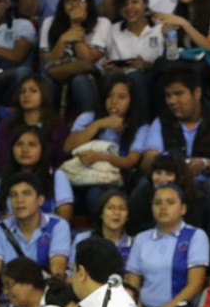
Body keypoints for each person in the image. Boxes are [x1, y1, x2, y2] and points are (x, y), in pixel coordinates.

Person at [142, 69, 210, 246]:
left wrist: (205, 164)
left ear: (196, 93)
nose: (172, 101)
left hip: (207, 180)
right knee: (144, 186)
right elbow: (148, 161)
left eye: (178, 94)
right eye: (168, 95)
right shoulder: (162, 121)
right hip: (172, 182)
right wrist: (170, 167)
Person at [0, 172, 71, 307]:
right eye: (13, 195)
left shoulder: (57, 225)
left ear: (40, 200)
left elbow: (57, 269)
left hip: (45, 297)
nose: (19, 200)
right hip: (11, 300)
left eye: (26, 193)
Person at [125, 184, 209, 307]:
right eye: (157, 203)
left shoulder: (195, 236)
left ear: (183, 208)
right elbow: (133, 284)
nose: (163, 207)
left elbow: (195, 284)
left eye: (170, 203)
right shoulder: (141, 238)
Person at [64, 74, 150, 214]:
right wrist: (99, 124)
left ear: (131, 101)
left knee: (95, 194)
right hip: (80, 174)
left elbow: (131, 161)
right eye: (109, 96)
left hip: (114, 180)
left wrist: (101, 157)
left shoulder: (141, 127)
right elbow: (68, 147)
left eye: (121, 97)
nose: (114, 101)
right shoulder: (89, 117)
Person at [39, 0, 111, 114]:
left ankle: (89, 124)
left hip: (92, 80)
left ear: (89, 3)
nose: (74, 4)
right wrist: (62, 40)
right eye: (69, 0)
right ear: (62, 4)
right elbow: (48, 61)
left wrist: (75, 24)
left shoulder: (102, 23)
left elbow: (88, 60)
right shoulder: (49, 23)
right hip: (57, 80)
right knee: (43, 81)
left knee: (79, 80)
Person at [103, 0, 164, 119]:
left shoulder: (160, 29)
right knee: (111, 80)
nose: (129, 8)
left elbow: (167, 64)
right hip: (121, 83)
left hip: (150, 81)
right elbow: (109, 62)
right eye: (124, 4)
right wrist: (111, 69)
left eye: (135, 2)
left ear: (146, 3)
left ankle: (143, 125)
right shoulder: (113, 30)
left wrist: (147, 66)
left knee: (136, 77)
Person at [0, 126, 74, 223]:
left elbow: (64, 218)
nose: (25, 150)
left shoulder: (56, 176)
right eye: (19, 144)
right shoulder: (3, 180)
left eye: (32, 145)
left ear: (42, 149)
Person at [0, 74, 70, 173]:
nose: (26, 95)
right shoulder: (7, 126)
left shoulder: (58, 128)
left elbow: (62, 161)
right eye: (22, 91)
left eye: (33, 91)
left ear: (44, 95)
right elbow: (0, 160)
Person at [70, 189, 133, 268]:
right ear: (101, 213)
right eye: (110, 208)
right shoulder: (83, 239)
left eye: (122, 208)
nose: (117, 213)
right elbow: (72, 273)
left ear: (128, 216)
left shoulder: (134, 245)